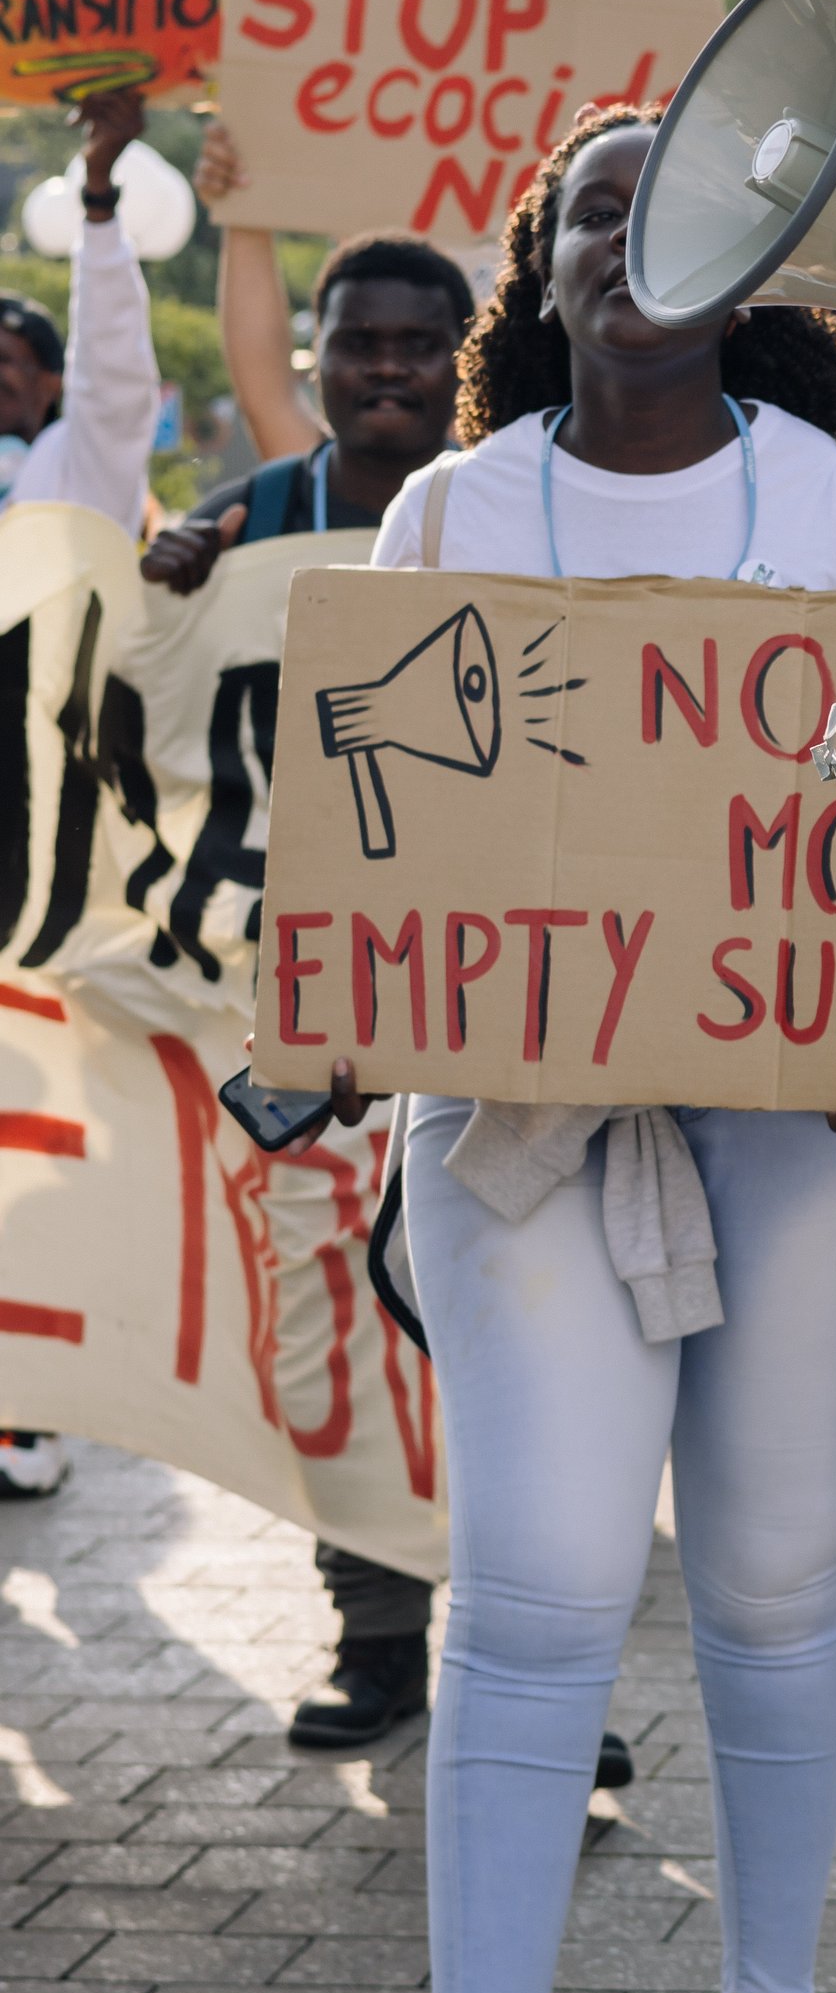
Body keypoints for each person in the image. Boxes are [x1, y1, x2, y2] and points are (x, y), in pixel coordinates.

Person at [313, 101, 836, 1993]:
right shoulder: (453, 507)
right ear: (547, 264)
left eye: (672, 206)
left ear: (751, 258)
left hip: (805, 1125)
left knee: (772, 1569)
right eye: (592, 207)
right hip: (521, 1119)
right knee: (539, 1589)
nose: (629, 238)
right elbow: (381, 820)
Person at [139, 142, 568, 1762]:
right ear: (312, 362)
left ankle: (533, 1672)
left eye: (416, 341)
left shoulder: (532, 505)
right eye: (355, 341)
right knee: (325, 1328)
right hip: (302, 1004)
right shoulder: (249, 519)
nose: (383, 367)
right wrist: (166, 588)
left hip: (505, 1001)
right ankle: (378, 1638)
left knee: (509, 1343)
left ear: (465, 354)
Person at [0, 90, 163, 1505]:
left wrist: (98, 205)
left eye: (13, 357)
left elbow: (120, 377)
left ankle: (30, 1398)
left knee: (32, 1132)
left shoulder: (73, 477)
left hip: (33, 865)